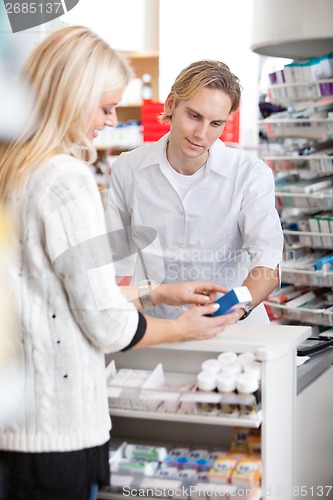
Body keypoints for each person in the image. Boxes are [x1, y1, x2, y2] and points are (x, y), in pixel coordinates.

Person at [0, 28, 239, 500]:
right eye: (106, 107)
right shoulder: (66, 177)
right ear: (71, 97)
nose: (111, 121)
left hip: (14, 422)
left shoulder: (12, 165)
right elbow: (106, 325)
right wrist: (183, 328)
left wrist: (155, 292)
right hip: (58, 432)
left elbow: (51, 290)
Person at [107, 59, 284, 323]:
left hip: (231, 324)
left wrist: (234, 310)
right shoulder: (128, 168)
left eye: (216, 124)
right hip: (159, 325)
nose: (201, 133)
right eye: (194, 116)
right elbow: (115, 261)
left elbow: (267, 264)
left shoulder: (250, 174)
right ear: (171, 105)